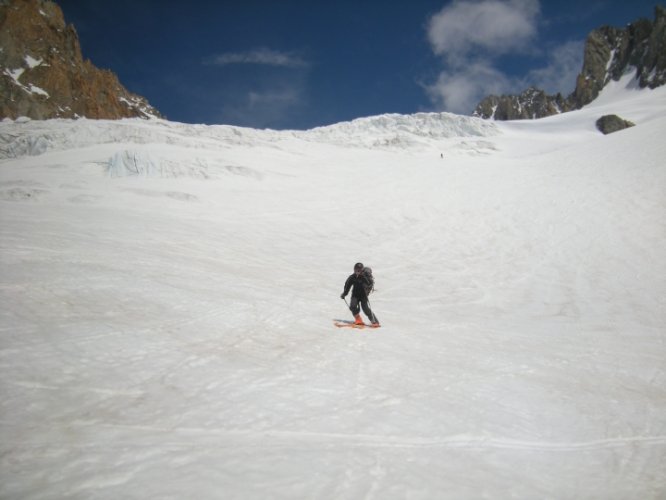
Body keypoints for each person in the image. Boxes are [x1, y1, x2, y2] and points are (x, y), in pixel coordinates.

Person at [340, 262, 380, 326]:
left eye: (359, 270)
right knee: (353, 306)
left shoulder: (364, 277)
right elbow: (347, 286)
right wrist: (344, 294)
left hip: (363, 295)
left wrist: (367, 280)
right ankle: (358, 319)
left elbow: (369, 283)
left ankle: (374, 321)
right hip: (355, 295)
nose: (358, 272)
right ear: (354, 270)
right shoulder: (352, 277)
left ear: (362, 270)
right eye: (356, 270)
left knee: (365, 308)